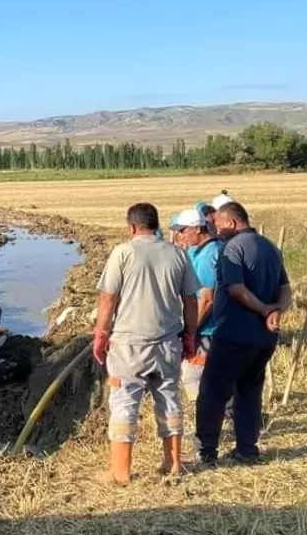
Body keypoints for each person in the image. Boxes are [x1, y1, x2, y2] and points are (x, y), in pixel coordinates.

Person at [93, 203, 199, 482]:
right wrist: (190, 336)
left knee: (125, 402)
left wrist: (101, 335)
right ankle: (173, 463)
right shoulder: (178, 254)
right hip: (167, 343)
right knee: (169, 400)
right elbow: (190, 300)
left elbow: (107, 299)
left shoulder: (123, 253)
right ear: (157, 224)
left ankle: (120, 472)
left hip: (128, 346)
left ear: (131, 227)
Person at [195, 201, 292, 467]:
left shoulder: (233, 248)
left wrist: (263, 310)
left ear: (233, 223)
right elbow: (286, 289)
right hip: (264, 339)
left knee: (212, 392)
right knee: (249, 392)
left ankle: (206, 450)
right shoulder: (271, 247)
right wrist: (276, 312)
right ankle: (247, 449)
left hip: (234, 335)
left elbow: (236, 289)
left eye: (218, 225)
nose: (216, 231)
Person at [172, 208, 224, 456]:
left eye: (183, 230)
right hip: (214, 328)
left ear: (198, 228)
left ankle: (206, 436)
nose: (181, 235)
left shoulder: (207, 257)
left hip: (207, 330)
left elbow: (206, 299)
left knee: (194, 378)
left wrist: (191, 330)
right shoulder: (208, 251)